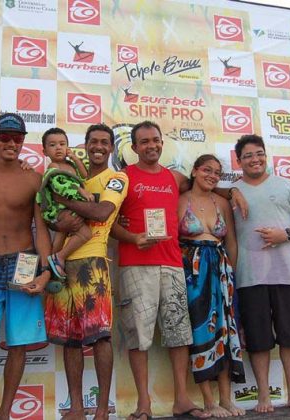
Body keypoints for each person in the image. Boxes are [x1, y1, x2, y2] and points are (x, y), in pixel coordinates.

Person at [112, 120, 209, 420]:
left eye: (155, 140)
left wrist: (234, 193)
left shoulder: (176, 178)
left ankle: (181, 399)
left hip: (172, 264)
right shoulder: (124, 177)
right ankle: (144, 404)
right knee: (138, 338)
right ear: (134, 147)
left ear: (161, 143)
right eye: (144, 142)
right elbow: (106, 221)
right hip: (135, 266)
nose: (151, 145)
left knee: (179, 334)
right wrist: (131, 237)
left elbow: (208, 186)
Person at [0, 113, 52, 420]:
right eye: (4, 137)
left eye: (17, 138)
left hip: (24, 260)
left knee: (19, 343)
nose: (11, 144)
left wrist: (45, 270)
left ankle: (4, 413)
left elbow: (41, 229)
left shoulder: (34, 178)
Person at [44, 123, 128, 420]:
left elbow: (102, 212)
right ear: (85, 144)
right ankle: (77, 407)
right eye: (94, 141)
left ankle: (103, 408)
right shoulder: (73, 175)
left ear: (111, 147)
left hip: (93, 264)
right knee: (70, 340)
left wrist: (64, 201)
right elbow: (53, 220)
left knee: (101, 338)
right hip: (61, 264)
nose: (99, 147)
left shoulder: (116, 178)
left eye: (105, 142)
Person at [230, 134, 290, 413]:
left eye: (259, 154)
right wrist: (230, 191)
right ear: (239, 160)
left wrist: (284, 234)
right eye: (248, 156)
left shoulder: (288, 186)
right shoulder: (232, 191)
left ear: (266, 156)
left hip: (288, 274)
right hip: (249, 276)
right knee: (258, 340)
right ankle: (264, 396)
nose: (254, 159)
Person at [178, 154, 246, 418]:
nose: (212, 175)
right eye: (207, 170)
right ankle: (208, 401)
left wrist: (232, 272)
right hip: (193, 274)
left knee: (226, 332)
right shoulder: (181, 200)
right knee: (200, 334)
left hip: (221, 270)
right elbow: (172, 238)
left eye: (217, 172)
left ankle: (226, 399)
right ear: (194, 171)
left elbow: (231, 242)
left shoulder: (222, 202)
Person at [37, 127, 93, 282]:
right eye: (52, 145)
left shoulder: (71, 165)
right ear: (45, 151)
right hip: (58, 209)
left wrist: (75, 158)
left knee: (65, 234)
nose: (58, 148)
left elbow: (85, 175)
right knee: (83, 233)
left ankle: (53, 264)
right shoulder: (53, 167)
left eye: (62, 144)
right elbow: (59, 186)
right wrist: (80, 191)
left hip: (72, 207)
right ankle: (57, 259)